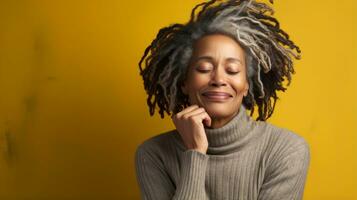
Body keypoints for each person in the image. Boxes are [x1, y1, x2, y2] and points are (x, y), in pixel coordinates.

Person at [135, 0, 310, 199]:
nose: (218, 80)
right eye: (204, 69)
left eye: (232, 70)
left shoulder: (286, 150)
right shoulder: (153, 154)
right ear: (184, 81)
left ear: (246, 85)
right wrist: (195, 153)